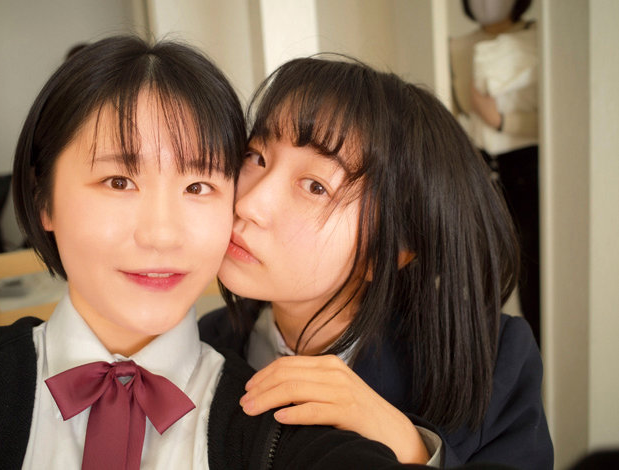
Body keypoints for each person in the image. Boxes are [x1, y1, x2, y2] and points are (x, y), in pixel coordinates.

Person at [0, 36, 407, 470]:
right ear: (44, 200)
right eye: (118, 181)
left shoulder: (280, 423)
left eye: (197, 186)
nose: (161, 235)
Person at [199, 54, 553, 469]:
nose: (248, 203)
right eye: (256, 157)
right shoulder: (204, 345)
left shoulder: (488, 364)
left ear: (390, 249)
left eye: (315, 186)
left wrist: (411, 447)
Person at [449, 0, 541, 345]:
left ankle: (537, 357)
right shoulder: (458, 46)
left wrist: (501, 121)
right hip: (478, 166)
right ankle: (474, 356)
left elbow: (558, 113)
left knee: (535, 274)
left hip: (528, 166)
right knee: (476, 271)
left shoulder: (539, 38)